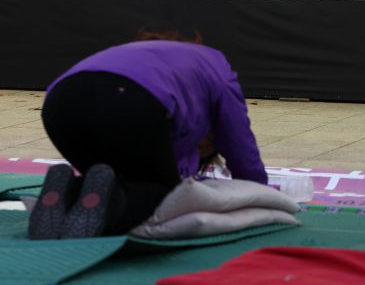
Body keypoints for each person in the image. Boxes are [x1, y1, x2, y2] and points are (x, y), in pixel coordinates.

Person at [28, 27, 268, 240]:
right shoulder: (217, 64)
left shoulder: (142, 55)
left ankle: (66, 194)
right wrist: (258, 194)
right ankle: (107, 210)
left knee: (108, 183)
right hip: (130, 97)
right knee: (168, 199)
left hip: (59, 104)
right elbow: (239, 142)